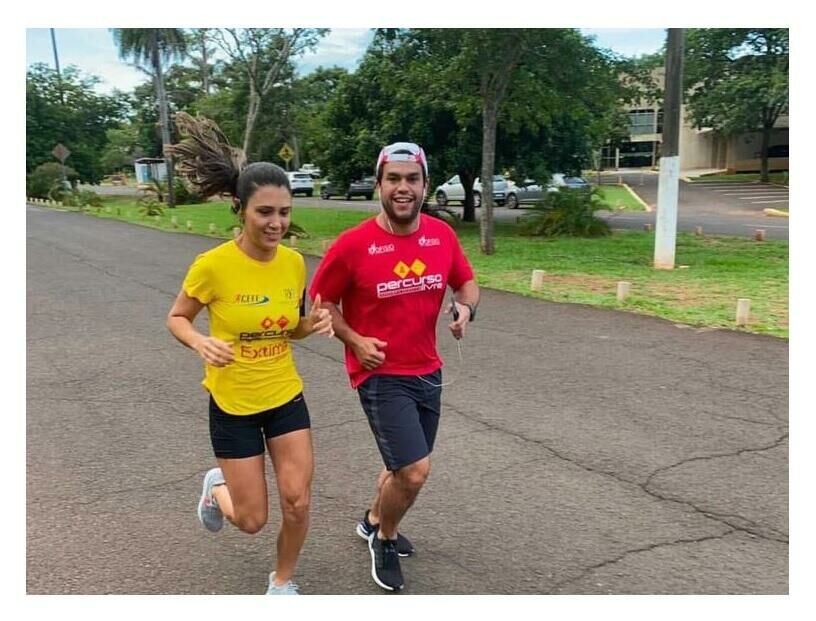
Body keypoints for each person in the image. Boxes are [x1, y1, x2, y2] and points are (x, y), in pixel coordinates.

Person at [164, 113, 333, 595]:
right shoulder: (213, 266)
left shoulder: (294, 263)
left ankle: (282, 584)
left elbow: (287, 328)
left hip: (284, 394)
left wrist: (311, 324)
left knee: (298, 501)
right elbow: (176, 317)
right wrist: (199, 341)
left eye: (284, 211)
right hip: (233, 403)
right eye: (265, 212)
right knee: (253, 519)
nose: (277, 223)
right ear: (240, 209)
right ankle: (217, 489)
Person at [308, 142, 480, 591]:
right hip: (380, 372)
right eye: (393, 179)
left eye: (412, 179)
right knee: (415, 470)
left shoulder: (441, 236)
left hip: (428, 369)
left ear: (425, 184)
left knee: (400, 467)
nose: (403, 188)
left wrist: (465, 310)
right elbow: (320, 302)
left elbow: (466, 282)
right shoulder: (353, 244)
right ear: (380, 183)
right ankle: (383, 539)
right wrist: (354, 339)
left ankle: (370, 519)